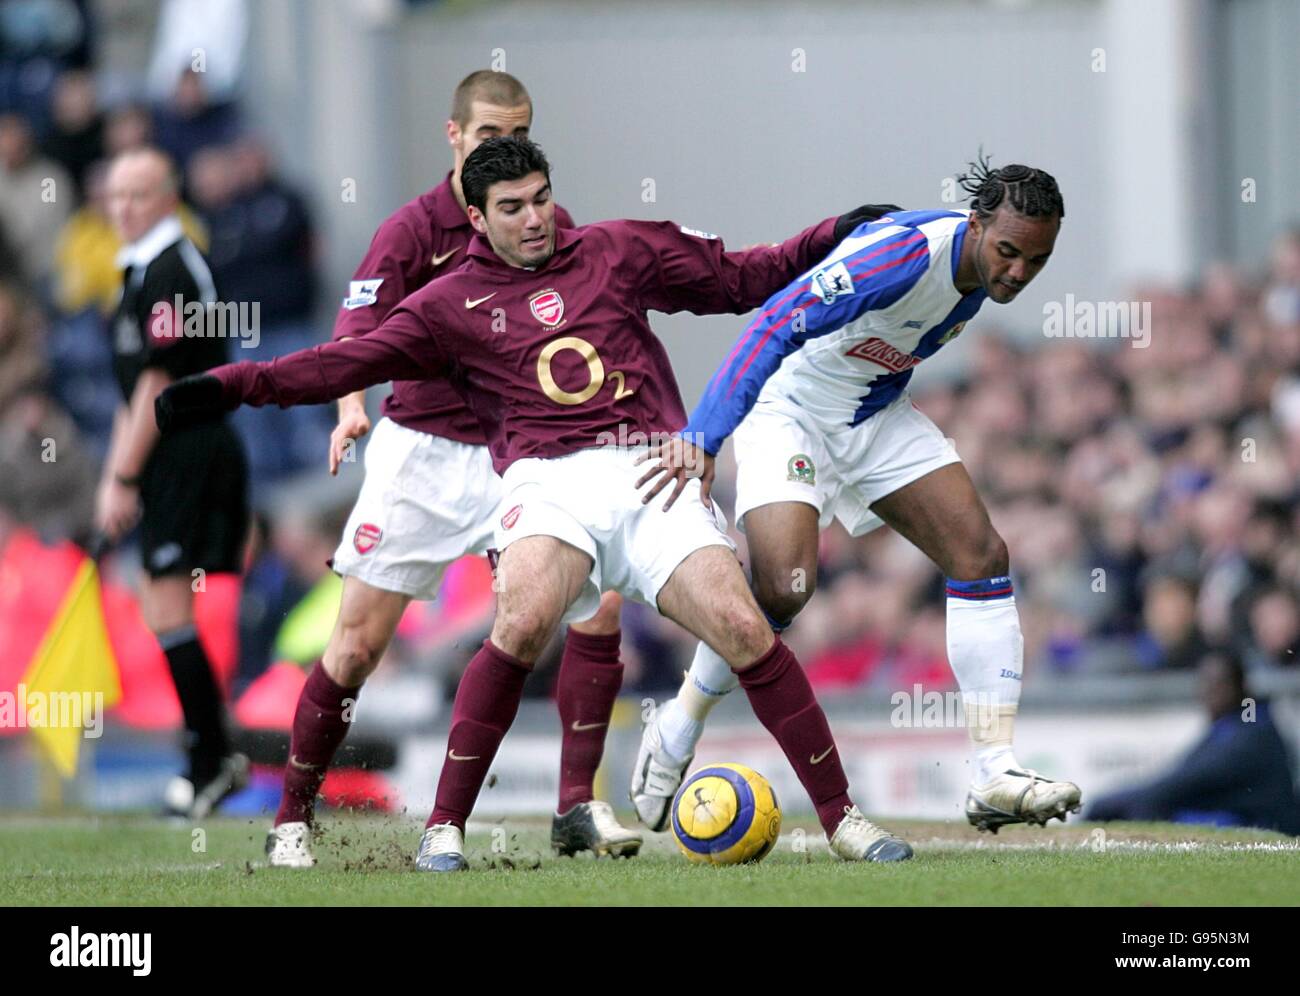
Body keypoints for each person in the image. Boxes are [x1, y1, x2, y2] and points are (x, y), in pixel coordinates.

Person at [157, 135, 912, 868]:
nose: (535, 217)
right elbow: (335, 364)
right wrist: (225, 387)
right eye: (512, 206)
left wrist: (832, 233)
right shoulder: (446, 304)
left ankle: (843, 820)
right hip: (547, 481)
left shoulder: (620, 248)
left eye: (542, 199)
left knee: (746, 627)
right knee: (518, 621)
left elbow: (747, 277)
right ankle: (444, 830)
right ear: (477, 219)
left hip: (649, 467)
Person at [631, 157, 1082, 834]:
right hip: (790, 412)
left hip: (871, 415)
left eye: (1036, 261)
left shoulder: (986, 268)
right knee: (784, 589)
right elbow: (772, 324)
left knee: (981, 553)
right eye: (1009, 252)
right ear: (977, 223)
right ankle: (680, 720)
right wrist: (704, 436)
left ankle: (994, 773)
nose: (1018, 272)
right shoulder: (902, 257)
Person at [262, 72, 637, 869]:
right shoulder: (410, 231)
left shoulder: (547, 226)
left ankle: (575, 805)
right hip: (424, 455)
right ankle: (292, 815)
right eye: (490, 132)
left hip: (522, 453)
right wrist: (349, 407)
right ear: (453, 135)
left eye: (522, 131)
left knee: (595, 608)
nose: (506, 147)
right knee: (358, 644)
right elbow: (356, 331)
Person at [96, 146, 250, 818]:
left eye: (137, 194)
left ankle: (209, 761)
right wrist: (116, 474)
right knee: (162, 608)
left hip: (187, 447)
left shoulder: (172, 269)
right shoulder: (136, 272)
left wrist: (123, 477)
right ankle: (213, 759)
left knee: (168, 604)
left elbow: (159, 382)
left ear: (166, 196)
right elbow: (132, 392)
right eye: (114, 195)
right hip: (158, 450)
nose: (123, 207)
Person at [1087, 650, 1300, 835]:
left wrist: (1142, 796)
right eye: (1205, 683)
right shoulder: (1233, 725)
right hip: (1228, 812)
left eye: (1218, 684)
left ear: (1240, 687)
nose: (1209, 692)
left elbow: (1194, 777)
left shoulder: (1252, 729)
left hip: (1255, 822)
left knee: (1145, 805)